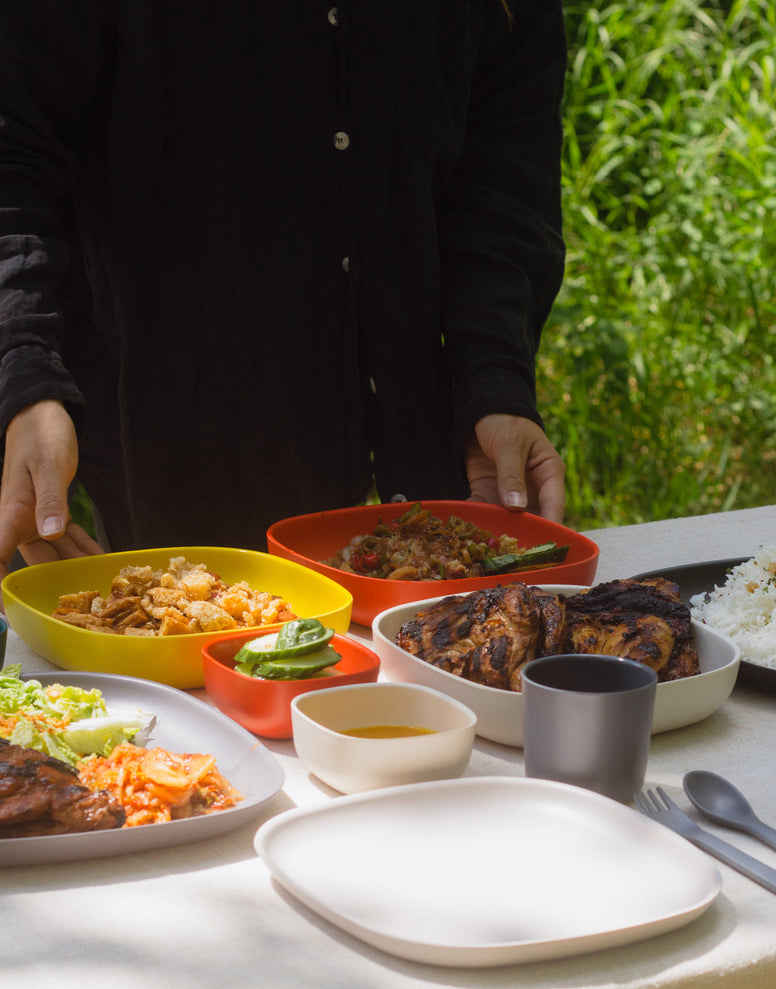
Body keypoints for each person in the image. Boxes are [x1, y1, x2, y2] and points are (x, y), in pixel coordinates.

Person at [0, 1, 568, 585]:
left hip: (438, 450)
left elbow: (504, 175)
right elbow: (15, 149)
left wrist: (493, 382)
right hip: (185, 433)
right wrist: (26, 378)